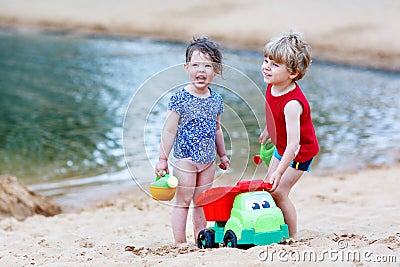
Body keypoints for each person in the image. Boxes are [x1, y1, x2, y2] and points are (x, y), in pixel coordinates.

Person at [155, 37, 230, 246]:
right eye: (196, 65)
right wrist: (162, 158)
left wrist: (222, 155)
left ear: (215, 70)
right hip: (185, 158)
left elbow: (217, 130)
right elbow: (169, 131)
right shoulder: (179, 98)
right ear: (187, 68)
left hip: (208, 159)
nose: (201, 70)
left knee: (202, 201)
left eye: (208, 66)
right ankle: (180, 242)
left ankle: (201, 239)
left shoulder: (216, 99)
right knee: (184, 200)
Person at [259, 31, 319, 237]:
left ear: (292, 73)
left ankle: (292, 236)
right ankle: (275, 226)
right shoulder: (273, 85)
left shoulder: (292, 104)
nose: (266, 67)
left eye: (274, 64)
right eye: (266, 60)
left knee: (279, 192)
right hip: (282, 147)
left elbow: (295, 145)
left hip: (300, 152)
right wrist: (269, 128)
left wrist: (279, 171)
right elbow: (272, 109)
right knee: (268, 188)